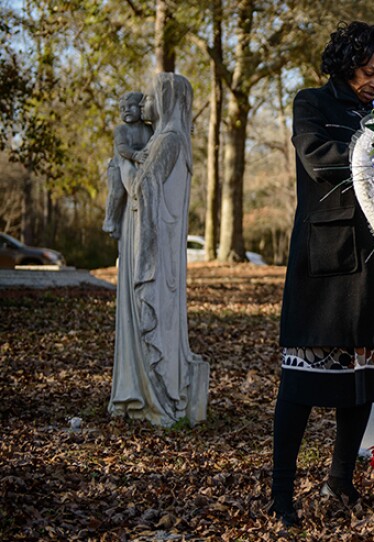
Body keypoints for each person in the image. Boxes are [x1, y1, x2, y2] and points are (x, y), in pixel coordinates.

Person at [271, 22, 374, 526]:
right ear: (346, 62)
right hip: (324, 262)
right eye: (368, 71)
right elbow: (316, 158)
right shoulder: (311, 103)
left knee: (363, 379)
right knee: (302, 382)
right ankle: (280, 495)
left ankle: (340, 480)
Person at [107, 73, 206, 427]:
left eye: (150, 98)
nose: (145, 105)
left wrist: (121, 167)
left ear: (164, 102)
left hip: (150, 246)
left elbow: (141, 188)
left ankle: (151, 396)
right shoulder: (169, 140)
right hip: (153, 240)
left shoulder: (167, 141)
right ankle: (137, 395)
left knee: (150, 320)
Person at [103, 92, 153, 240]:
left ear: (141, 108)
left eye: (131, 106)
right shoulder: (121, 129)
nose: (126, 110)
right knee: (117, 192)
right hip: (118, 166)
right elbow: (122, 148)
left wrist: (184, 128)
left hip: (141, 168)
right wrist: (135, 155)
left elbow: (163, 132)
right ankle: (111, 219)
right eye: (122, 108)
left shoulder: (149, 129)